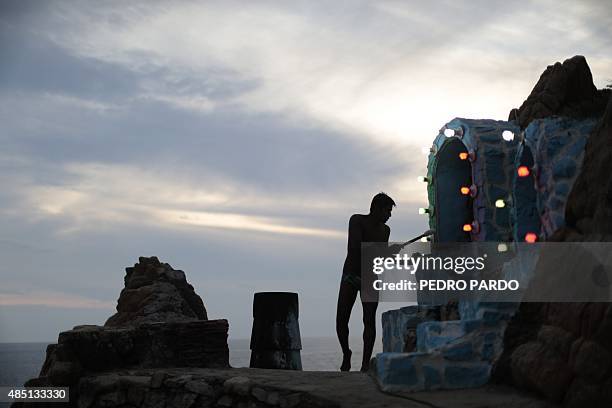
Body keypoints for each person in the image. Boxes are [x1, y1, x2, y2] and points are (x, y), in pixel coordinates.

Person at [336, 192, 396, 372]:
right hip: (351, 275)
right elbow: (356, 248)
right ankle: (346, 352)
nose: (389, 215)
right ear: (375, 208)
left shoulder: (386, 230)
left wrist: (390, 254)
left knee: (369, 320)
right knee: (341, 320)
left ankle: (364, 365)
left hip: (370, 277)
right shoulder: (356, 221)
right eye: (387, 210)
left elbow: (381, 260)